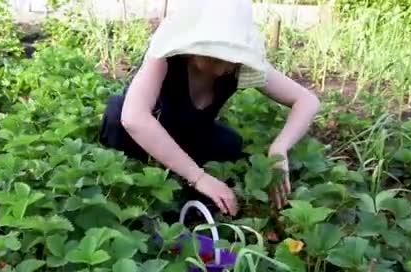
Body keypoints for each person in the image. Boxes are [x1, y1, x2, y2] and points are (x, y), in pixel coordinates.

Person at [99, 0, 320, 216]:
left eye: (231, 56)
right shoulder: (165, 55)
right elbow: (134, 118)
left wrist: (279, 148)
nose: (224, 67)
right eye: (214, 55)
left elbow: (307, 101)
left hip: (193, 137)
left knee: (230, 144)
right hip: (147, 139)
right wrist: (198, 177)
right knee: (117, 113)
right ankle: (137, 189)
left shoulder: (239, 65)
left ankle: (193, 202)